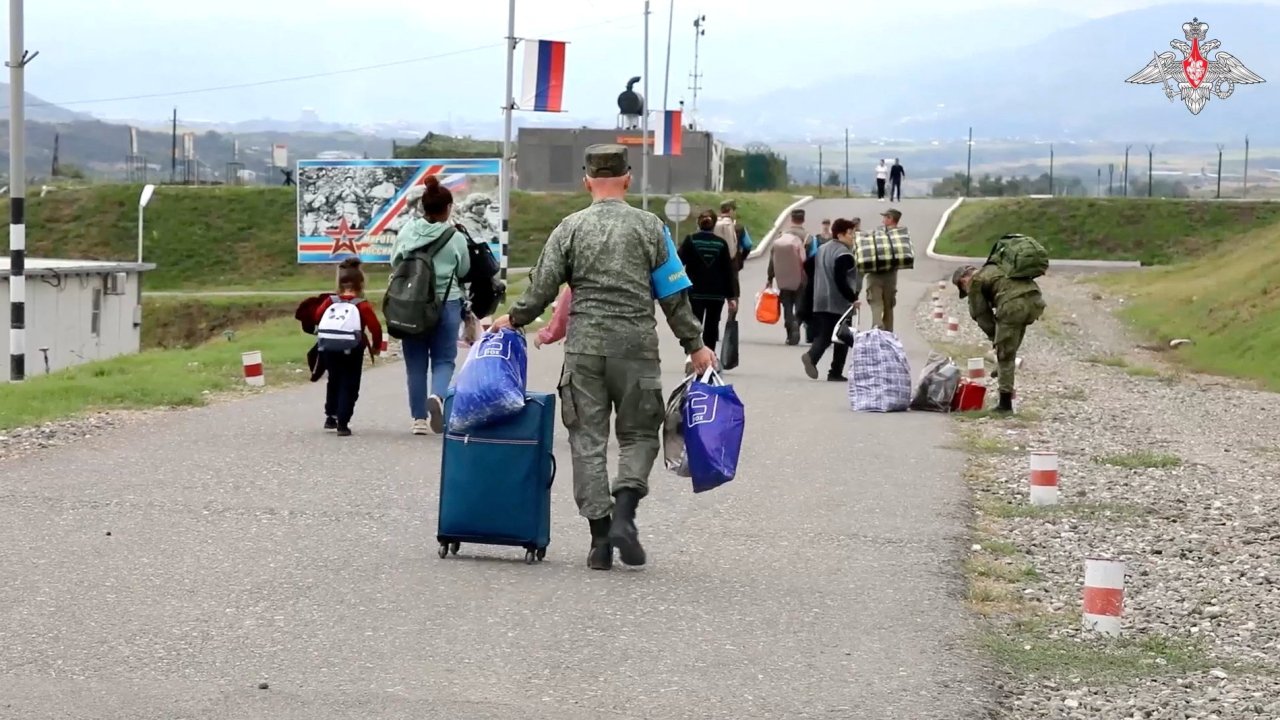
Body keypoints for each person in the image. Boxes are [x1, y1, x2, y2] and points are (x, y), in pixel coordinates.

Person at [490, 144, 716, 571]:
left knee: (587, 441)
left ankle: (599, 539)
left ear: (586, 180)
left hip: (584, 352)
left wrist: (513, 318)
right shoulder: (651, 229)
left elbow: (541, 290)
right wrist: (695, 345)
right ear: (629, 179)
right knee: (639, 435)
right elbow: (673, 295)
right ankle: (625, 515)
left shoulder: (569, 228)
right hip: (636, 350)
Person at [389, 175, 472, 436]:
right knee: (444, 358)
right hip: (446, 304)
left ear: (423, 208)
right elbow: (465, 269)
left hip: (411, 306)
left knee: (415, 363)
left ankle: (418, 420)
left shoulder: (406, 231)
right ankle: (437, 396)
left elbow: (395, 263)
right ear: (447, 209)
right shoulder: (454, 236)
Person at [952, 261, 1046, 414]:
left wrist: (996, 340)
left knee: (1005, 355)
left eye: (963, 288)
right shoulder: (995, 268)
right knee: (1010, 348)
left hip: (1013, 306)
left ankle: (1005, 405)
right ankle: (1003, 377)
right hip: (1035, 301)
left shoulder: (975, 282)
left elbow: (980, 314)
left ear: (963, 280)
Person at [313, 258, 383, 437]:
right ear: (361, 283)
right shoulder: (362, 305)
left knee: (334, 380)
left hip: (329, 347)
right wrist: (375, 347)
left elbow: (317, 316)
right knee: (349, 383)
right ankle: (343, 423)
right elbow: (375, 328)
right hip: (353, 348)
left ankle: (331, 415)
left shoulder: (330, 301)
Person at [802, 217, 861, 382]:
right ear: (841, 234)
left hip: (820, 297)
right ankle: (827, 366)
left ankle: (816, 360)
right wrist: (853, 298)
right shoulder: (844, 254)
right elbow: (840, 279)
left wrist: (820, 279)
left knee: (827, 332)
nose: (853, 237)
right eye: (850, 233)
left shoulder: (822, 249)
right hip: (838, 301)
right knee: (841, 335)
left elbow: (807, 265)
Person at [678, 210, 740, 352]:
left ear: (698, 223)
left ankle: (693, 353)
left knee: (695, 323)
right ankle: (709, 355)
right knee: (712, 325)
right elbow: (728, 272)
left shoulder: (691, 240)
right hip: (716, 294)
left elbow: (678, 263)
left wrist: (676, 285)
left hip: (695, 292)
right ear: (714, 225)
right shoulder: (721, 244)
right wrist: (731, 297)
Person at [767, 208, 808, 345]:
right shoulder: (808, 237)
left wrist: (770, 277)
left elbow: (773, 259)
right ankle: (797, 322)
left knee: (787, 306)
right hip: (802, 279)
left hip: (783, 279)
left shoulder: (782, 237)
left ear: (791, 219)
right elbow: (813, 258)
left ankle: (789, 334)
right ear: (803, 219)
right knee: (800, 306)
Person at [864, 208, 908, 333]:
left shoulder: (878, 234)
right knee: (889, 305)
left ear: (890, 219)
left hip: (875, 275)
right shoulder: (901, 235)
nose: (882, 220)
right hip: (891, 276)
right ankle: (888, 333)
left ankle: (877, 328)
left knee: (876, 303)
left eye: (885, 217)